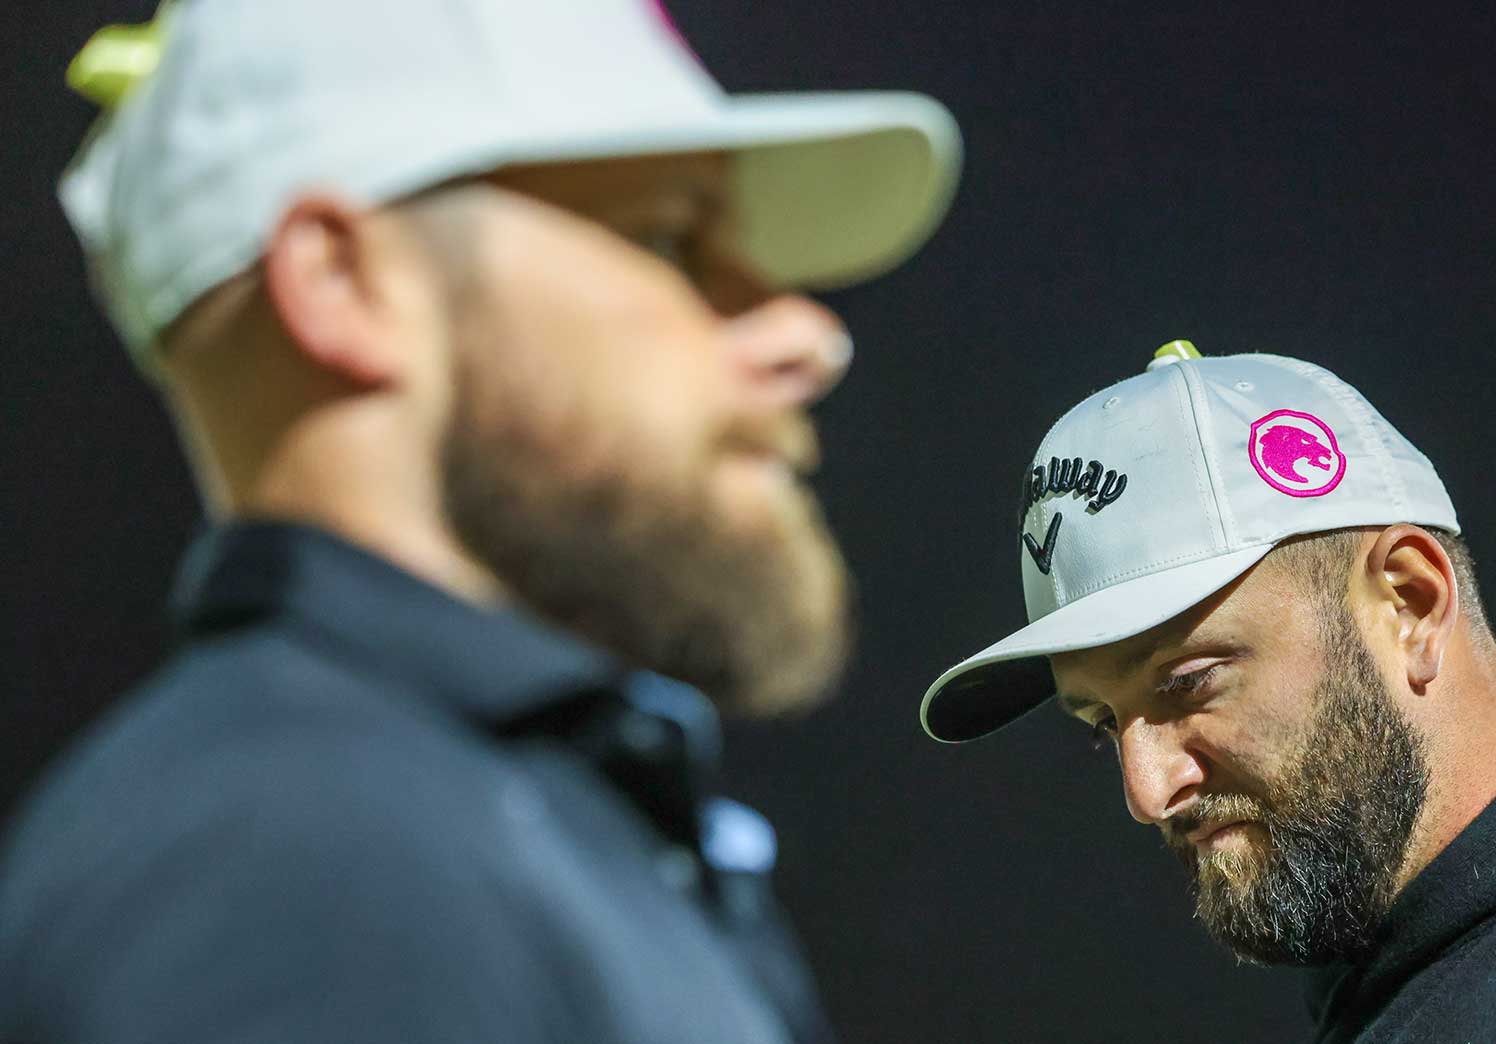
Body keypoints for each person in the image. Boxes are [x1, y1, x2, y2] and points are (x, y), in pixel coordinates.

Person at [0, 1, 958, 1041]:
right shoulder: (308, 860)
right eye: (671, 236)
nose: (805, 333)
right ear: (344, 284)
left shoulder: (488, 819)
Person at [919, 341, 1496, 1042]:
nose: (1145, 789)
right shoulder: (1399, 999)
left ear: (1409, 601)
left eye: (1189, 683)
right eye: (1102, 724)